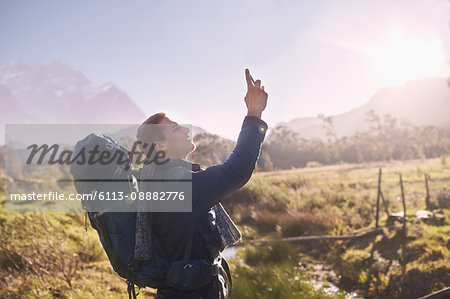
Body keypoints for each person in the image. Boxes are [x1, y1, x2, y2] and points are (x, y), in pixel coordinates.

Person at [136, 69, 268, 298]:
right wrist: (254, 114)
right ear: (159, 146)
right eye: (176, 128)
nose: (186, 129)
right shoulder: (175, 183)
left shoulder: (158, 178)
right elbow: (235, 171)